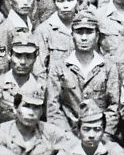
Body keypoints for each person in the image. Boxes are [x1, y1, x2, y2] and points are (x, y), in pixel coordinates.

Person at [46, 8, 120, 138]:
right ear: (72, 35)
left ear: (97, 35)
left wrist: (104, 136)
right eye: (79, 32)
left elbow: (114, 107)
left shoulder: (108, 67)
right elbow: (53, 108)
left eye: (89, 32)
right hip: (68, 136)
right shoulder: (59, 68)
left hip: (100, 136)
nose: (84, 38)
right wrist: (67, 137)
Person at [0, 84, 65, 155]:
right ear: (15, 108)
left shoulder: (49, 131)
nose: (31, 113)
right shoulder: (1, 132)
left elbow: (72, 145)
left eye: (36, 107)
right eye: (26, 106)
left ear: (42, 111)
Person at [0, 35, 44, 122]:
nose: (23, 62)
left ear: (35, 57)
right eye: (18, 56)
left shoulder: (42, 86)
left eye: (28, 56)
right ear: (10, 55)